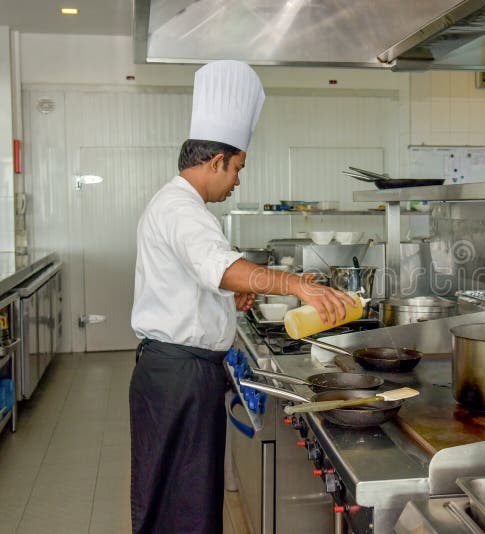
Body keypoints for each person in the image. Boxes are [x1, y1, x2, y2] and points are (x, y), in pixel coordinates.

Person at [129, 60, 353, 534]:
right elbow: (224, 267)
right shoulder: (183, 209)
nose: (237, 181)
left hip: (175, 371)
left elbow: (194, 282)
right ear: (216, 162)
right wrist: (298, 285)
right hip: (180, 377)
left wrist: (223, 304)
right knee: (183, 505)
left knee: (180, 497)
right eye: (237, 169)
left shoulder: (178, 205)